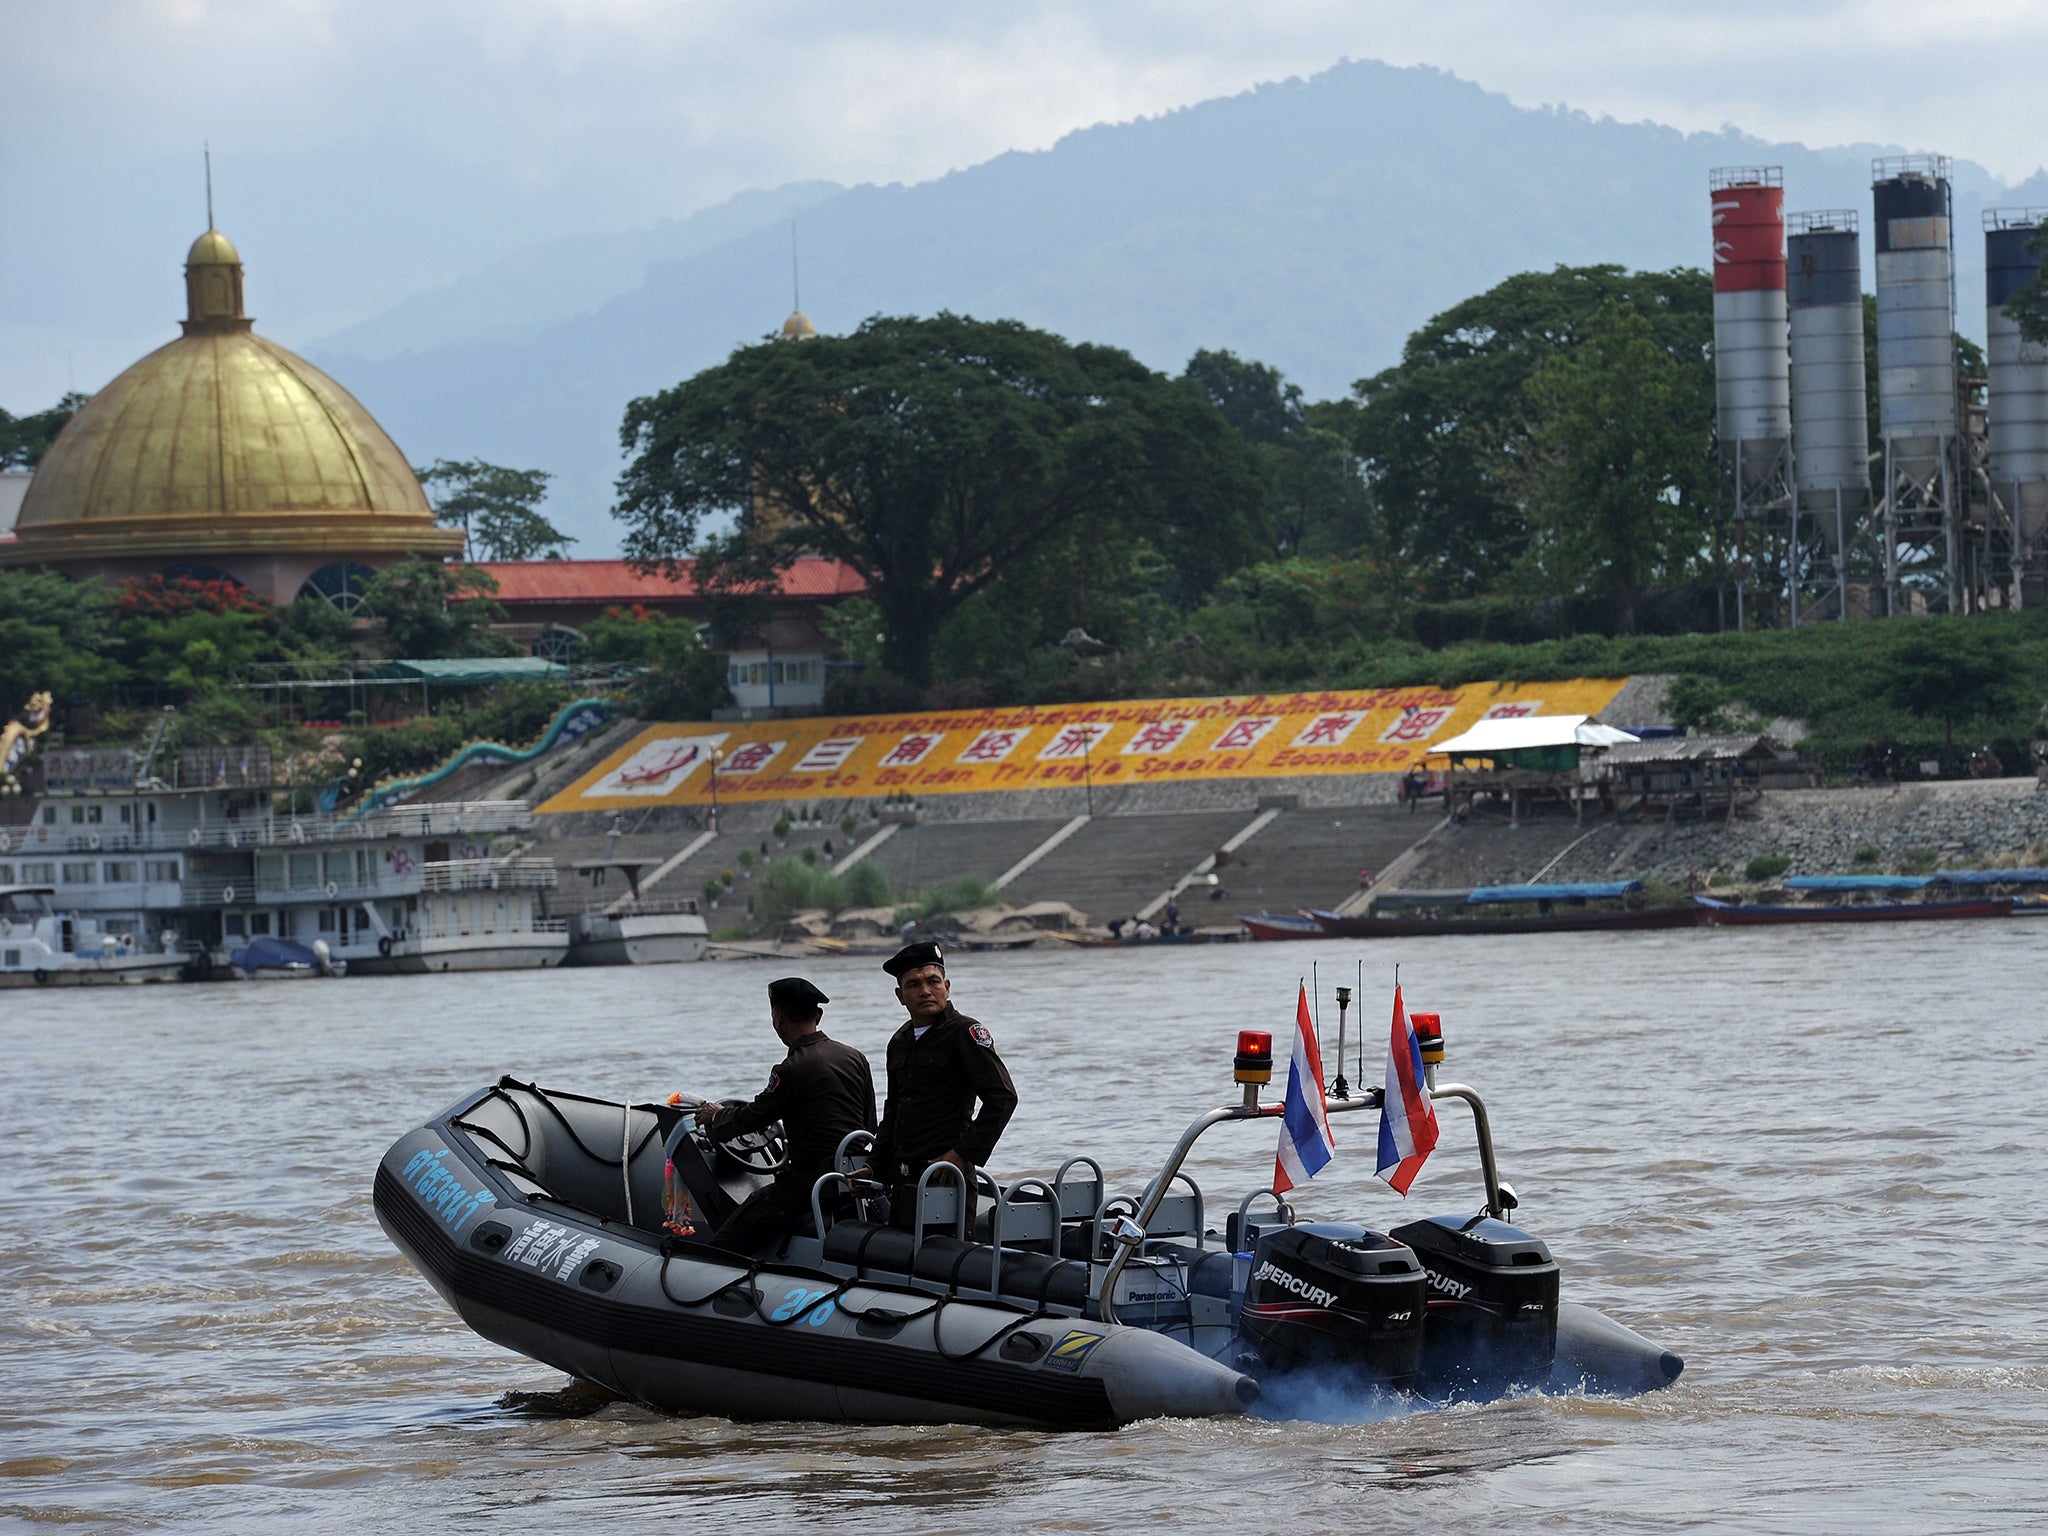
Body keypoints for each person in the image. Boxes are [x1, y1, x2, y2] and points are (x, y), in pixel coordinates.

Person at [693, 976, 876, 1255]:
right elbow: (869, 1124)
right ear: (818, 1014)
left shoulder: (790, 1069)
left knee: (723, 1244)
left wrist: (714, 1119)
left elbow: (754, 1117)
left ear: (778, 1018)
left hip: (808, 1186)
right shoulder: (855, 1058)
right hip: (852, 1181)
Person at [858, 942, 1017, 1229]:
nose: (925, 991)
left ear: (947, 986)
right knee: (900, 1257)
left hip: (945, 1177)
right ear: (900, 996)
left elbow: (1002, 1098)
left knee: (941, 1259)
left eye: (933, 982)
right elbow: (894, 1110)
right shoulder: (900, 1041)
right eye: (914, 984)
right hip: (904, 1177)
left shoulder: (965, 1033)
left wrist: (963, 1154)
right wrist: (875, 1165)